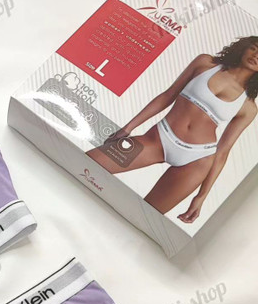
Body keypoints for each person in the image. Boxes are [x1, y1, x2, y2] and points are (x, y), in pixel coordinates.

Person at [86, 37, 258, 223]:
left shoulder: (248, 107)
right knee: (87, 163)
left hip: (197, 159)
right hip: (158, 139)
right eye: (254, 48)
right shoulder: (205, 64)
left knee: (142, 219)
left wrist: (201, 197)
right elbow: (168, 95)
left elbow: (222, 152)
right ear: (244, 48)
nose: (256, 56)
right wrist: (128, 127)